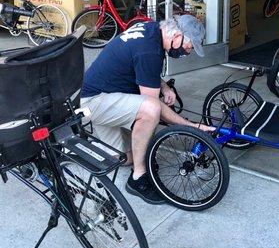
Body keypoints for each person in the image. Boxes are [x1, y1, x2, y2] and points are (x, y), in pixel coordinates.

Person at [80, 15, 213, 205]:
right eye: (189, 46)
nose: (187, 52)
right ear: (176, 35)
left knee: (124, 158)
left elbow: (143, 68)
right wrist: (192, 126)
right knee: (150, 110)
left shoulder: (152, 31)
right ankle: (138, 179)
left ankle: (82, 147)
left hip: (108, 96)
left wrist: (165, 87)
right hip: (94, 102)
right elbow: (153, 106)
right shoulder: (150, 51)